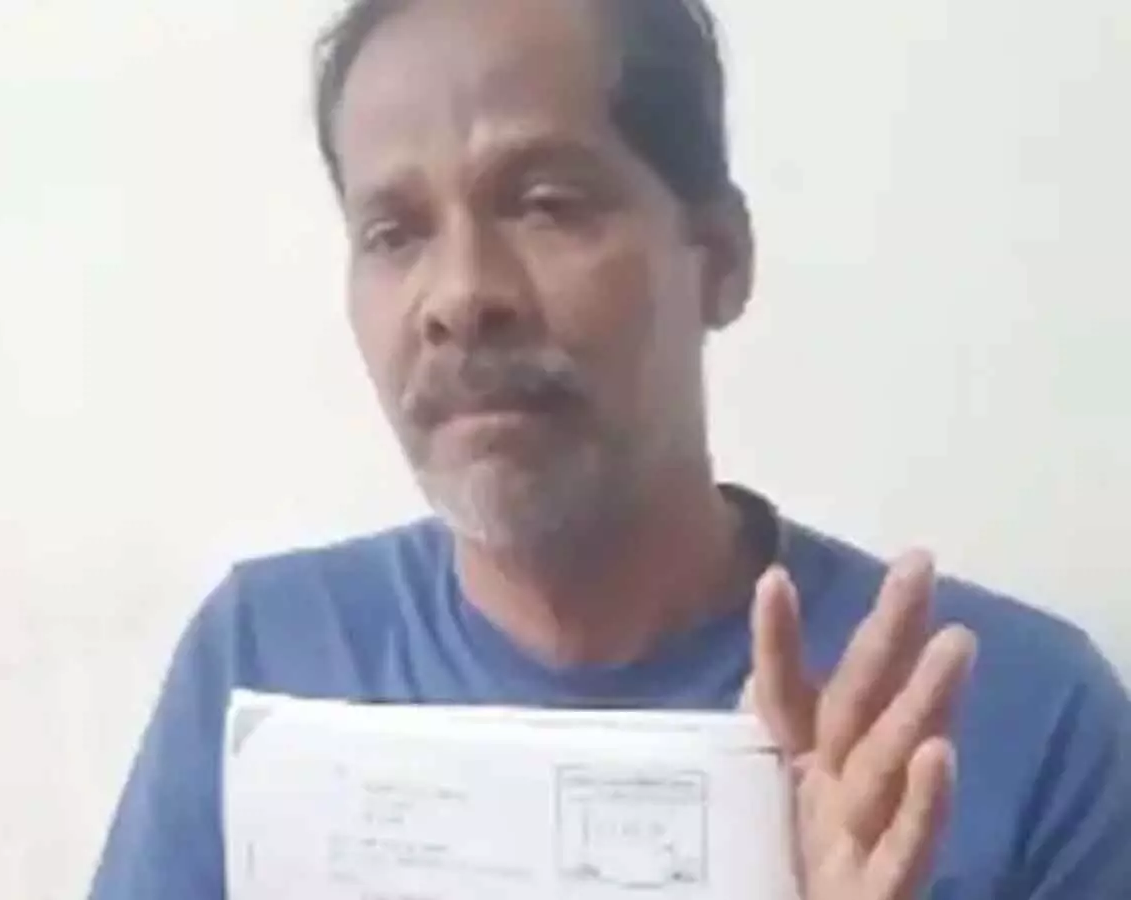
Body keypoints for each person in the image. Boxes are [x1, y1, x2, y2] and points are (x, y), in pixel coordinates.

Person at [88, 1, 1131, 897]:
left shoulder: (1011, 722)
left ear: (718, 258)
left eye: (545, 205)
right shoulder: (268, 661)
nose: (461, 296)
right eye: (394, 233)